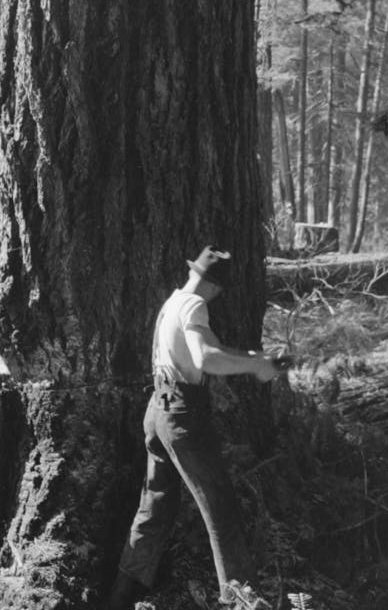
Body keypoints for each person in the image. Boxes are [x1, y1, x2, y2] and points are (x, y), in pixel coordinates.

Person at [107, 245, 292, 610]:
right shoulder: (195, 305)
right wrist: (255, 369)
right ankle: (241, 601)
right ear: (217, 288)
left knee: (154, 507)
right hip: (182, 417)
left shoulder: (174, 302)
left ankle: (118, 599)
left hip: (157, 412)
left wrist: (255, 357)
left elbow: (210, 348)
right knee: (221, 510)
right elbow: (205, 357)